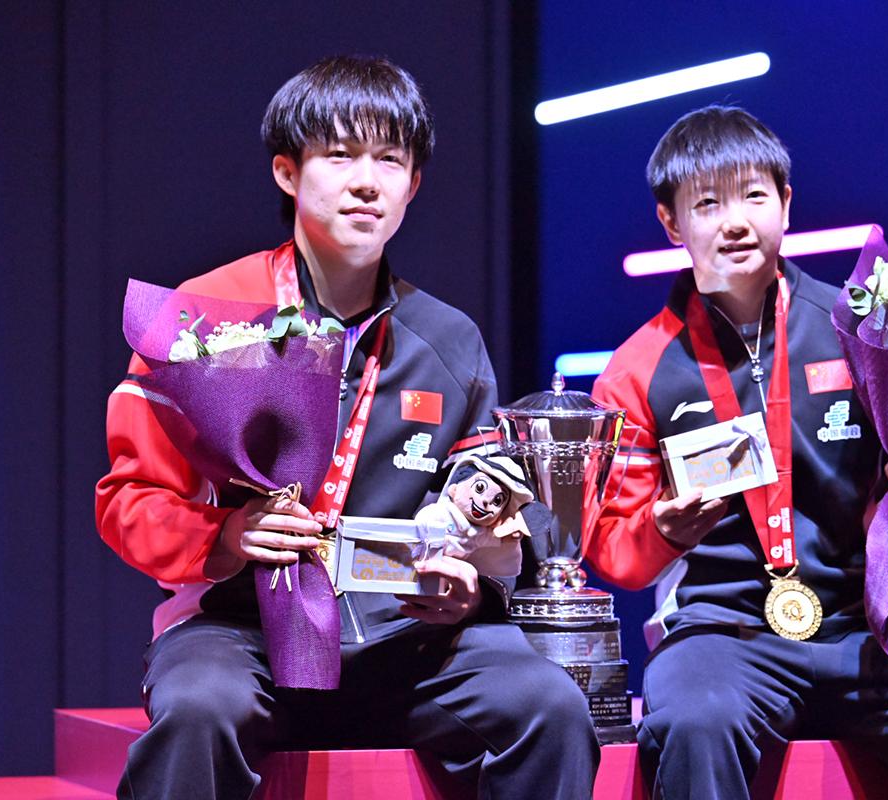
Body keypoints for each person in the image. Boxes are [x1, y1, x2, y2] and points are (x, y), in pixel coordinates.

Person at [96, 55, 598, 800]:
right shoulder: (201, 318)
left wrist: (470, 587)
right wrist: (225, 536)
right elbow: (128, 501)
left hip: (406, 637)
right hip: (241, 633)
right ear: (287, 172)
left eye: (390, 160)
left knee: (548, 708)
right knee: (198, 709)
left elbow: (486, 512)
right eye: (339, 155)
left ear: (413, 185)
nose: (368, 181)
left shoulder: (449, 340)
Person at [586, 105, 888, 799]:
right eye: (707, 203)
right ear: (671, 223)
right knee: (694, 724)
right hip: (723, 635)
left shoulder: (858, 330)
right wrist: (663, 529)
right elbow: (617, 550)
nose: (734, 221)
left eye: (753, 195)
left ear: (786, 203)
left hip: (863, 630)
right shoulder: (636, 369)